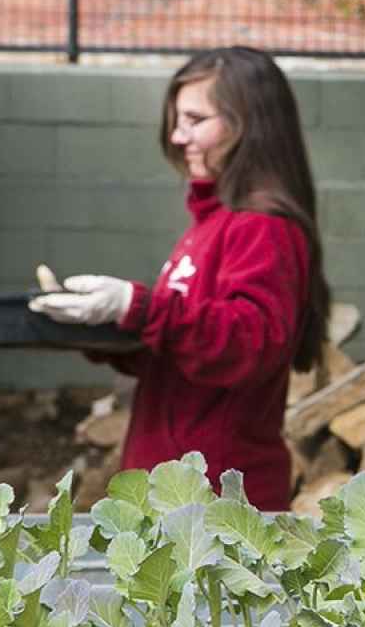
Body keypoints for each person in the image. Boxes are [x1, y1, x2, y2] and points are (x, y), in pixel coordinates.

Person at [30, 46, 329, 510]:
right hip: (174, 496)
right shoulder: (211, 225)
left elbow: (249, 344)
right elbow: (182, 354)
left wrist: (140, 308)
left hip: (216, 505)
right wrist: (104, 326)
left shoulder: (262, 227)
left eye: (194, 120)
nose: (176, 135)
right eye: (177, 119)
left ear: (247, 124)